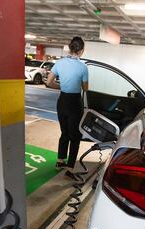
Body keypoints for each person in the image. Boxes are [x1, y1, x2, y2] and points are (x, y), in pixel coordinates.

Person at [46, 37, 88, 181]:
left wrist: (62, 87)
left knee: (64, 132)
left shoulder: (59, 63)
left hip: (62, 101)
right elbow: (85, 88)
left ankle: (60, 161)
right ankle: (70, 168)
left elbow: (49, 82)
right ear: (81, 50)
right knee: (75, 136)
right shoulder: (83, 67)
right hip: (75, 103)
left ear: (70, 48)